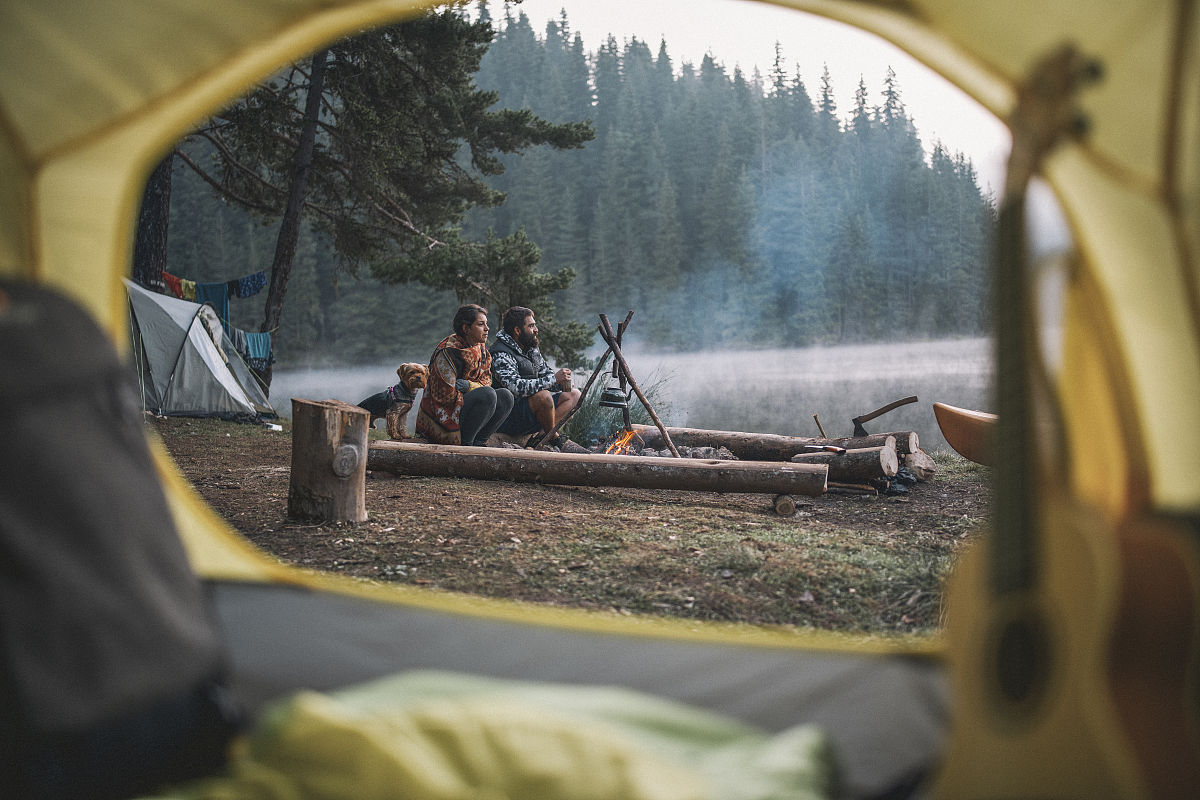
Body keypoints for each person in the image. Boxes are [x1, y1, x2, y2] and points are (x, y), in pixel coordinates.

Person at [416, 304, 513, 446]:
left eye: (486, 324)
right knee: (487, 394)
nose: (487, 328)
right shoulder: (448, 351)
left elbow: (486, 381)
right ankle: (466, 444)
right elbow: (445, 396)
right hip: (443, 415)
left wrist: (469, 386)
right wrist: (476, 390)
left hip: (465, 404)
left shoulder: (481, 349)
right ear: (466, 328)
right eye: (480, 324)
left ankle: (479, 442)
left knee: (506, 396)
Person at [490, 306, 581, 445]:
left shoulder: (531, 348)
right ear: (517, 330)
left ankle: (542, 436)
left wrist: (560, 383)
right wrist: (553, 379)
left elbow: (546, 374)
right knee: (543, 396)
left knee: (574, 395)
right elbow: (516, 388)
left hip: (530, 412)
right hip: (508, 416)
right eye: (531, 326)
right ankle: (554, 438)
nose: (536, 329)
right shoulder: (501, 354)